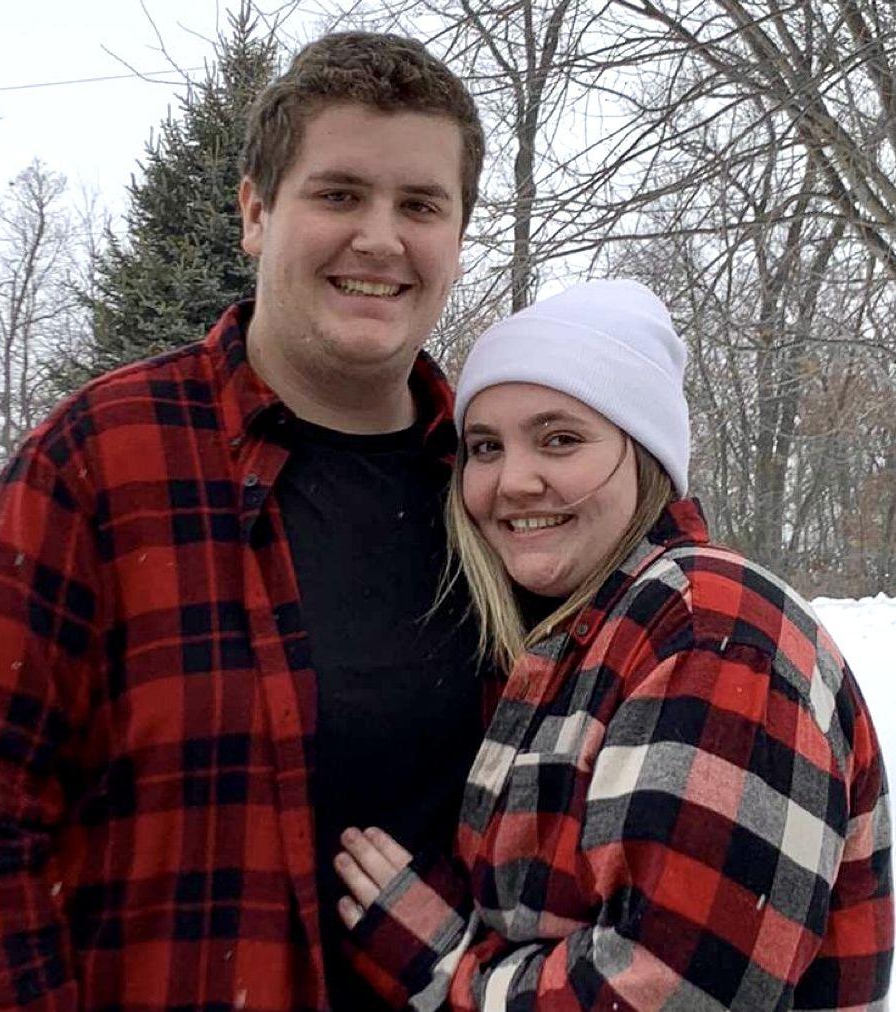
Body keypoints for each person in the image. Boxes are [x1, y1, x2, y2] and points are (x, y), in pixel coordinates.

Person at [0, 32, 492, 1011]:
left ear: (458, 236)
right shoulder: (99, 459)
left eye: (420, 205)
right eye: (339, 194)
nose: (380, 239)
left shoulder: (502, 485)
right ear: (255, 212)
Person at [334, 279, 894, 1010]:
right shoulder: (580, 634)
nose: (513, 481)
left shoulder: (714, 634)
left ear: (646, 453)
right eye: (486, 447)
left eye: (560, 439)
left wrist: (442, 966)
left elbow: (676, 991)